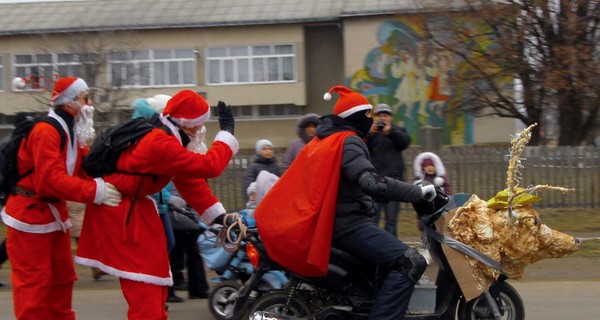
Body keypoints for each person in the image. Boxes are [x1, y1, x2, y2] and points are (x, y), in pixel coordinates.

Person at [255, 85, 436, 320]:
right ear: (356, 117)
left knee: (382, 269)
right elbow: (370, 182)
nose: (372, 120)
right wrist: (416, 192)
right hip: (350, 225)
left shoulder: (324, 140)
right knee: (411, 261)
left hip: (337, 222)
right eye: (367, 115)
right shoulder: (348, 141)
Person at [75, 89, 238, 320]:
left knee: (154, 281)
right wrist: (226, 135)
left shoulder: (168, 137)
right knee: (144, 285)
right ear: (188, 124)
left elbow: (188, 180)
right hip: (120, 213)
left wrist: (217, 216)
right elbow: (209, 166)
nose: (201, 131)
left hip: (133, 210)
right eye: (200, 125)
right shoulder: (160, 142)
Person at [1, 77, 122, 319]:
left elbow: (84, 170)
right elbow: (51, 179)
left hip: (53, 215)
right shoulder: (46, 131)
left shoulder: (72, 133)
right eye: (86, 98)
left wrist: (117, 174)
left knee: (63, 278)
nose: (90, 103)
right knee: (34, 286)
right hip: (29, 216)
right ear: (71, 102)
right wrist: (95, 192)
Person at [365, 103, 411, 237]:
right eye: (379, 116)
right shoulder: (371, 133)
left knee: (391, 221)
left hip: (394, 182)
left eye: (385, 115)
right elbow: (362, 146)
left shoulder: (398, 130)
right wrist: (370, 134)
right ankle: (373, 248)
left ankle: (391, 250)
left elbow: (405, 142)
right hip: (375, 182)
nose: (382, 118)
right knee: (373, 220)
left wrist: (391, 131)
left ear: (390, 118)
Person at [166, 185, 210, 301]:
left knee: (189, 253)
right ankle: (196, 289)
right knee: (179, 255)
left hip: (186, 216)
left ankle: (197, 289)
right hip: (178, 217)